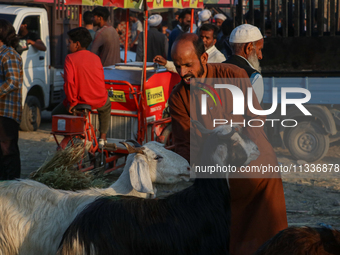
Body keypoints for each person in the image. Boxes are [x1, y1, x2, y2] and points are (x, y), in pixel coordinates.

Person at [168, 33, 287, 255]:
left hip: (256, 167)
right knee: (226, 240)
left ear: (204, 59)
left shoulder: (233, 75)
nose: (183, 73)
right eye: (177, 66)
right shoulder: (178, 97)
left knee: (269, 238)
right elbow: (184, 144)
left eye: (187, 65)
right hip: (217, 176)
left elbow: (255, 119)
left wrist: (239, 153)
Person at [51, 27, 111, 141]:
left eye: (69, 42)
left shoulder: (70, 58)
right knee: (106, 106)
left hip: (80, 101)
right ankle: (103, 137)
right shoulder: (96, 58)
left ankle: (71, 136)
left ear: (77, 44)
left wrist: (72, 102)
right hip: (99, 99)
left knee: (55, 114)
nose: (68, 45)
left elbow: (69, 82)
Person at [0, 19, 23, 180]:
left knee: (7, 151)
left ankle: (12, 187)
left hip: (7, 112)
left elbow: (13, 81)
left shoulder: (9, 55)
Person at [153, 23, 225, 72]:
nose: (203, 40)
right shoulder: (196, 51)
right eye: (201, 37)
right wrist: (166, 63)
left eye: (207, 38)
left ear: (214, 41)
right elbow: (185, 68)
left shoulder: (219, 57)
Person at [223, 24, 264, 103]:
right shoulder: (254, 76)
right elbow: (252, 112)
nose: (260, 56)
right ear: (248, 48)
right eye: (259, 50)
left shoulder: (215, 69)